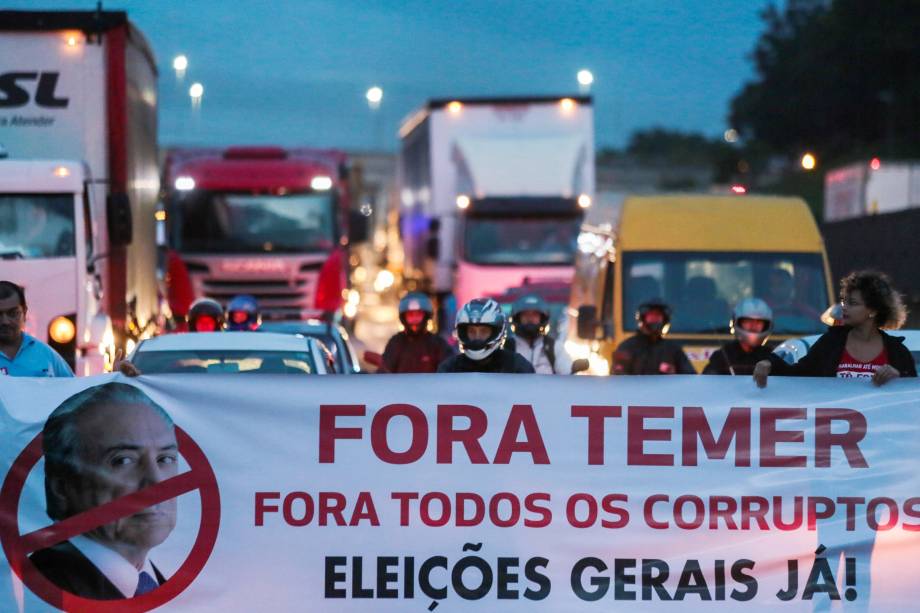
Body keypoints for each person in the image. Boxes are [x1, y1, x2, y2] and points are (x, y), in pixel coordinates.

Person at [29, 382, 178, 600]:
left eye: (165, 459)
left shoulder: (169, 588)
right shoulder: (35, 590)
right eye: (123, 460)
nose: (157, 481)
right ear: (62, 488)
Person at [754, 270, 916, 387]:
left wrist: (899, 379)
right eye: (845, 302)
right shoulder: (830, 344)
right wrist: (770, 363)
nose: (844, 308)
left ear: (873, 310)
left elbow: (912, 401)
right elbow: (798, 376)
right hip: (835, 433)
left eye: (853, 303)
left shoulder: (897, 352)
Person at [437, 298, 535, 373]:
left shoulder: (516, 366)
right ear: (463, 333)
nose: (477, 337)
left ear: (497, 332)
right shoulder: (450, 368)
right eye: (471, 331)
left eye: (483, 331)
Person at [0, 280, 73, 377]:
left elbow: (74, 389)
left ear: (25, 313)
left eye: (13, 313)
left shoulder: (46, 354)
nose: (5, 321)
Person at [610, 298, 695, 375]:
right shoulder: (627, 347)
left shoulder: (673, 350)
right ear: (642, 319)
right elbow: (618, 379)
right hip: (635, 391)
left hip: (665, 391)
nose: (655, 321)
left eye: (658, 317)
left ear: (664, 321)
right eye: (651, 317)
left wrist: (674, 375)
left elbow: (690, 377)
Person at [381, 292, 453, 373]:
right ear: (403, 318)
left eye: (418, 314)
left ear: (426, 316)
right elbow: (384, 371)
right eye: (410, 315)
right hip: (400, 386)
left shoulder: (438, 344)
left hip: (430, 385)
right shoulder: (396, 343)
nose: (414, 319)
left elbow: (450, 371)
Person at [703, 297, 775, 375]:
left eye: (759, 322)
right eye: (748, 321)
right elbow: (707, 384)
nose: (753, 326)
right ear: (737, 322)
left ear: (766, 325)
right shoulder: (722, 356)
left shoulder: (773, 358)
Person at [507, 294, 572, 374]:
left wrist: (573, 369)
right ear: (517, 318)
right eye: (525, 314)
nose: (530, 319)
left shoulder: (554, 347)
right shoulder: (506, 347)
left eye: (535, 315)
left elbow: (567, 374)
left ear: (542, 318)